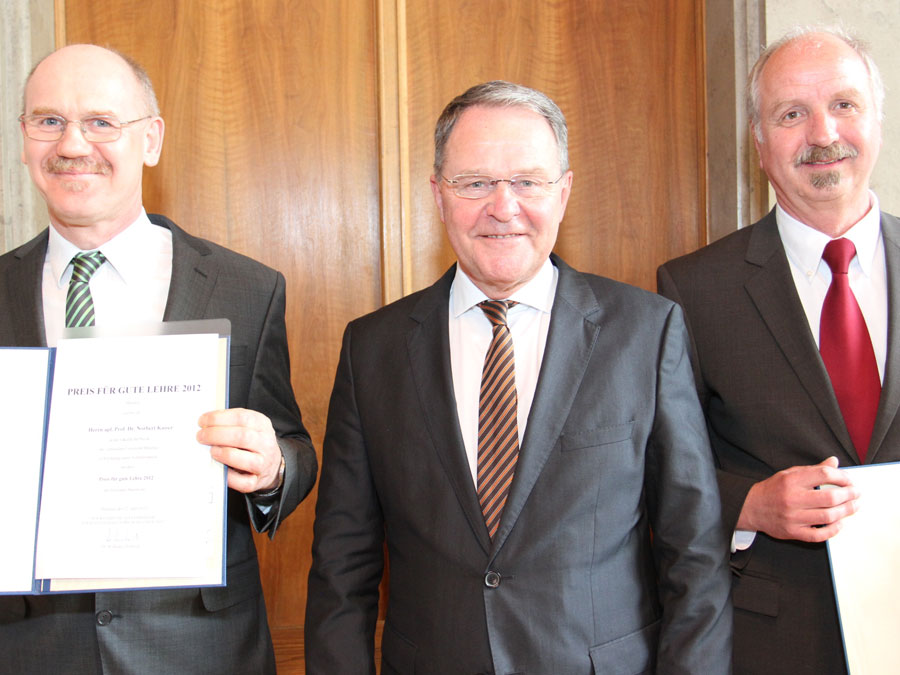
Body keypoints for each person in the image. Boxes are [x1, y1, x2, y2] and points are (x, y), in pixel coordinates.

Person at [305, 80, 731, 674]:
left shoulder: (646, 332)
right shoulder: (372, 349)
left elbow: (696, 555)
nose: (503, 207)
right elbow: (341, 569)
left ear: (563, 192)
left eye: (528, 182)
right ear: (438, 195)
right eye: (475, 182)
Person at [0, 44, 317, 674]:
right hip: (32, 648)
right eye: (49, 121)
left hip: (199, 648)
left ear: (151, 139)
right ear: (24, 139)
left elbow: (295, 446)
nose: (72, 144)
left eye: (101, 122)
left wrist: (273, 466)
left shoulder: (246, 288)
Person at [657, 26, 894, 674]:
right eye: (792, 114)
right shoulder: (692, 289)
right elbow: (657, 471)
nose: (823, 133)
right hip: (774, 640)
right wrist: (750, 503)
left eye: (843, 104)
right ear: (758, 143)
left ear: (877, 120)